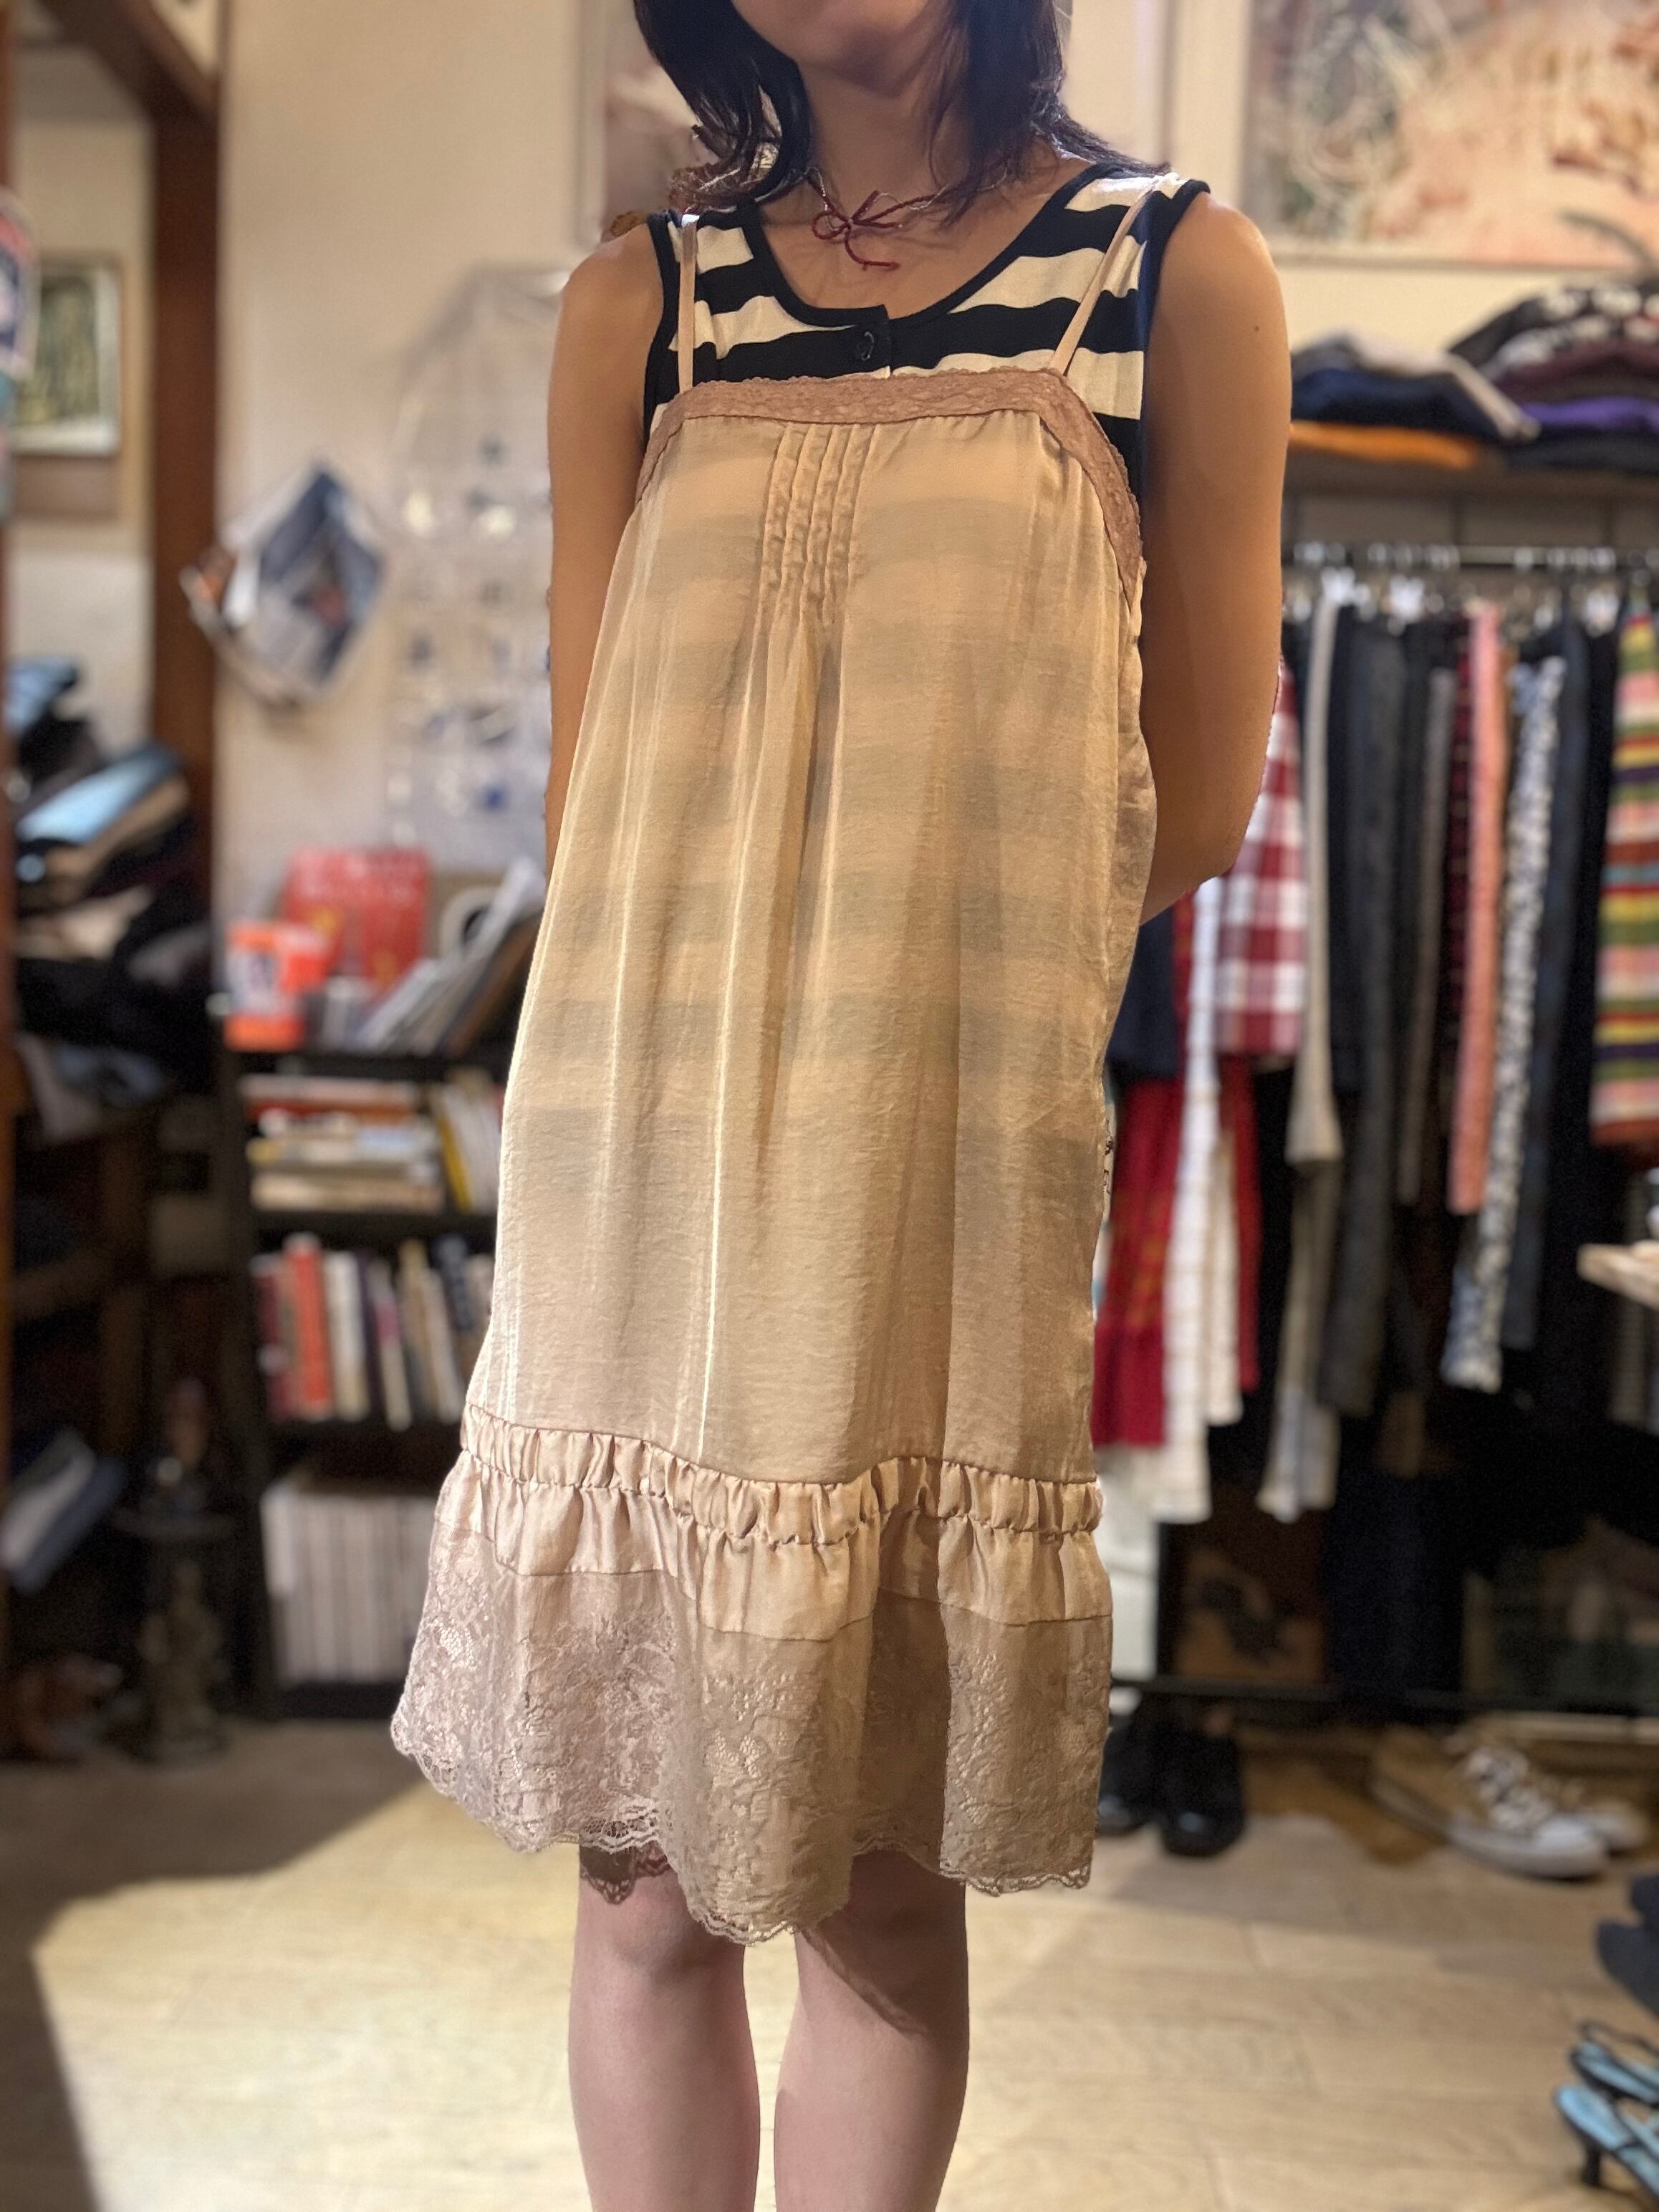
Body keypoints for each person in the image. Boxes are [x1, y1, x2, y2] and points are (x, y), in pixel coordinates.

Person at [391, 2, 1289, 2205]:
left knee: (878, 1893)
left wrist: (898, 928)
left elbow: (1183, 800)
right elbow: (600, 782)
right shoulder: (640, 306)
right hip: (645, 1143)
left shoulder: (1168, 273)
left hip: (922, 1142)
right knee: (643, 1884)